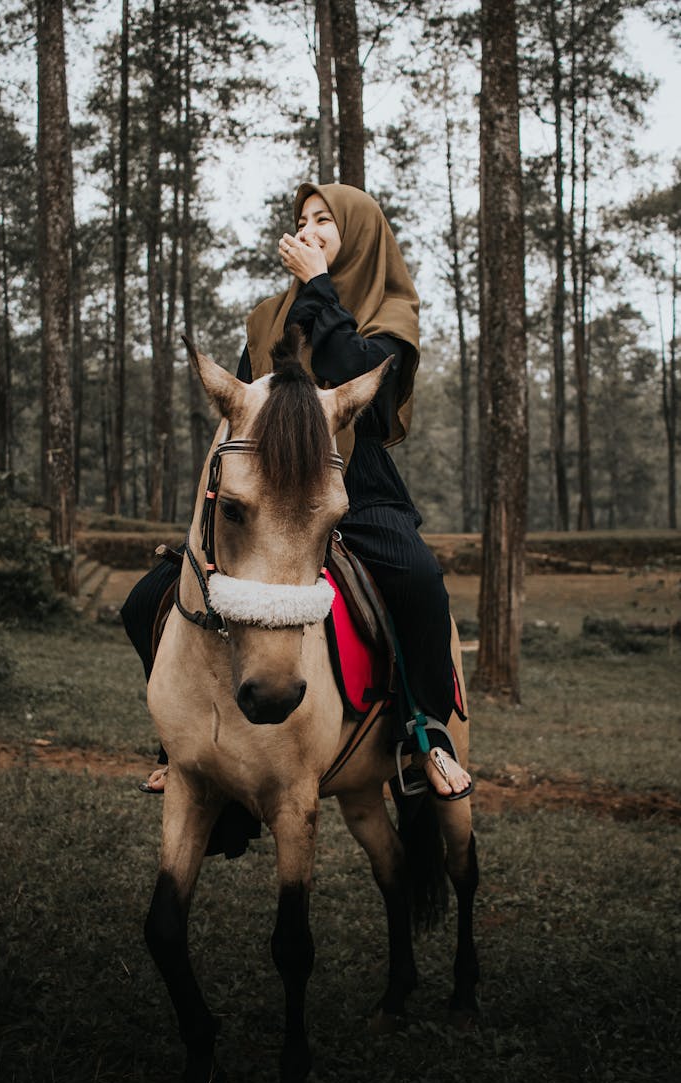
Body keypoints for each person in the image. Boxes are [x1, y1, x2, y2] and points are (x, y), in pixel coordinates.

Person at [123, 182, 471, 801]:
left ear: (359, 236)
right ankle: (180, 743)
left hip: (354, 486)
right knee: (147, 597)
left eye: (325, 221)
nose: (308, 229)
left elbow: (364, 390)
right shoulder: (265, 318)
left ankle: (427, 736)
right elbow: (240, 409)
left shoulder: (390, 314)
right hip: (266, 499)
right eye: (302, 219)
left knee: (418, 579)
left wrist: (319, 290)